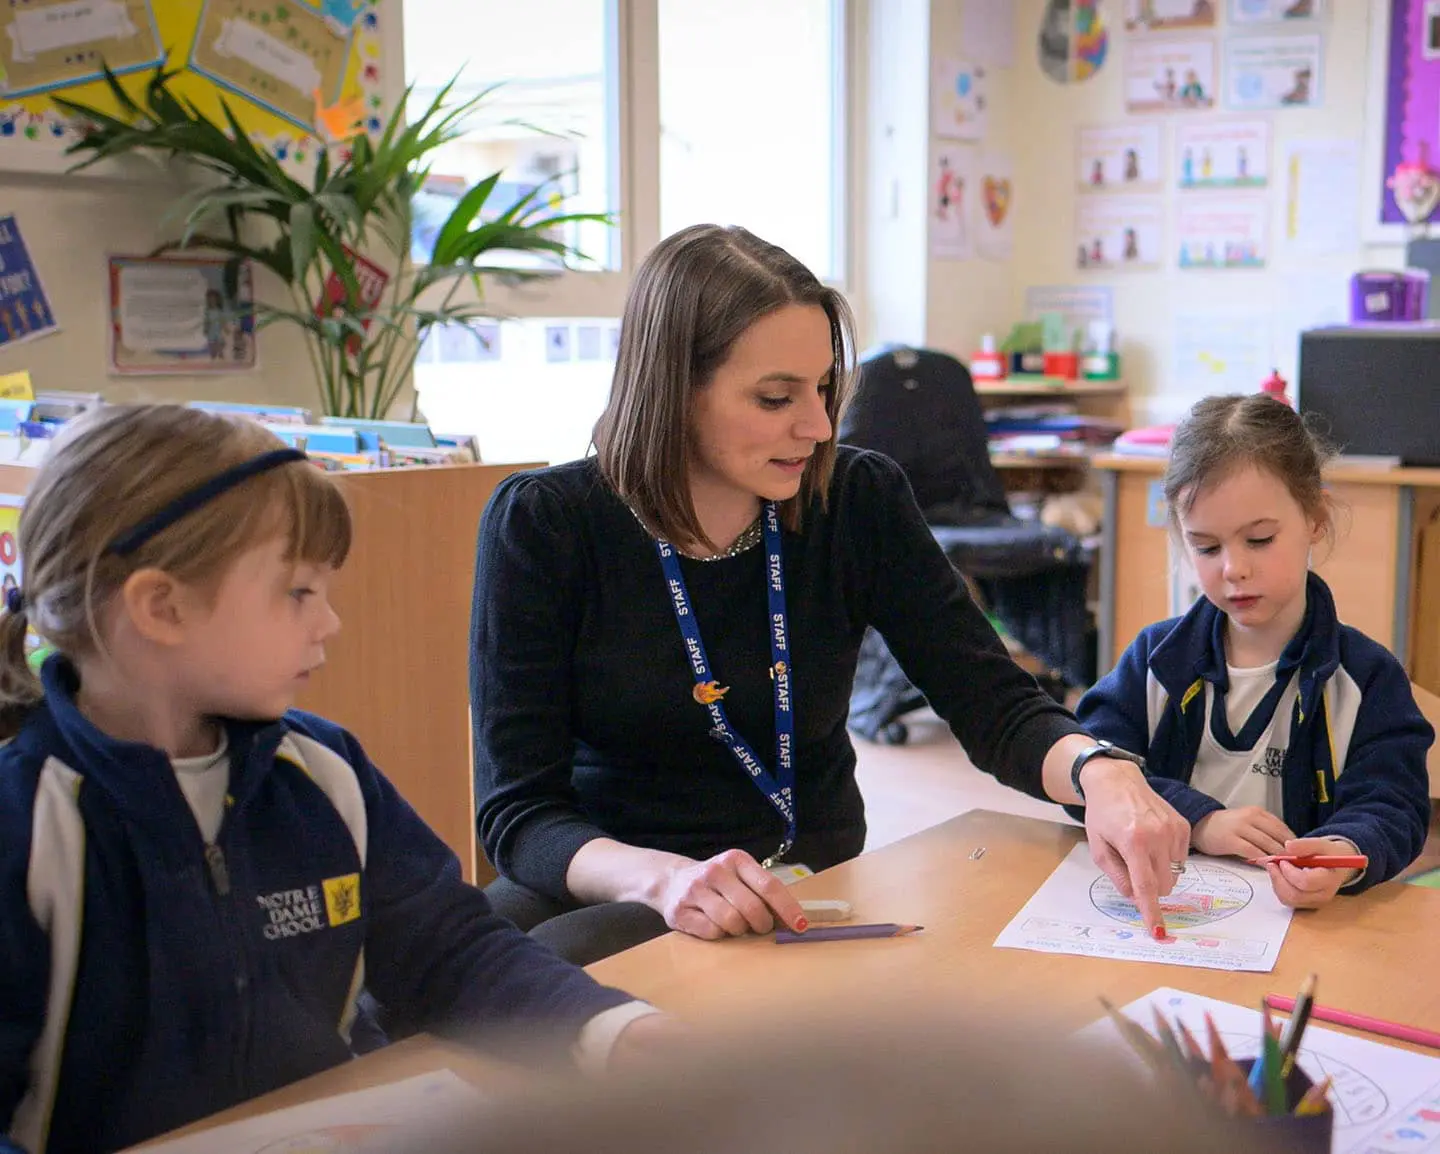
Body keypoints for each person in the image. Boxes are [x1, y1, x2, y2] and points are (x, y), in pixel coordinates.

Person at [470, 223, 1189, 967]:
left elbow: (993, 703)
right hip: (606, 868)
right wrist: (661, 877)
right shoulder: (544, 523)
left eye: (823, 390)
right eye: (777, 397)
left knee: (542, 988)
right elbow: (518, 811)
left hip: (792, 876)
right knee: (419, 989)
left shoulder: (856, 499)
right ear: (674, 389)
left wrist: (1099, 769)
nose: (816, 427)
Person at [0, 405, 671, 1154]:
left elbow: (450, 952)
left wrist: (612, 1029)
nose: (329, 624)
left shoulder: (323, 771)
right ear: (162, 607)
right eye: (297, 593)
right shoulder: (24, 821)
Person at [1077, 394, 1433, 908]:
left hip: (1306, 926)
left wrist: (1341, 853)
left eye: (1260, 539)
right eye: (1206, 547)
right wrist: (1201, 822)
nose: (1233, 569)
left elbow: (1393, 806)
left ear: (1316, 519)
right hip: (1168, 917)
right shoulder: (1156, 659)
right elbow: (1092, 770)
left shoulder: (1367, 677)